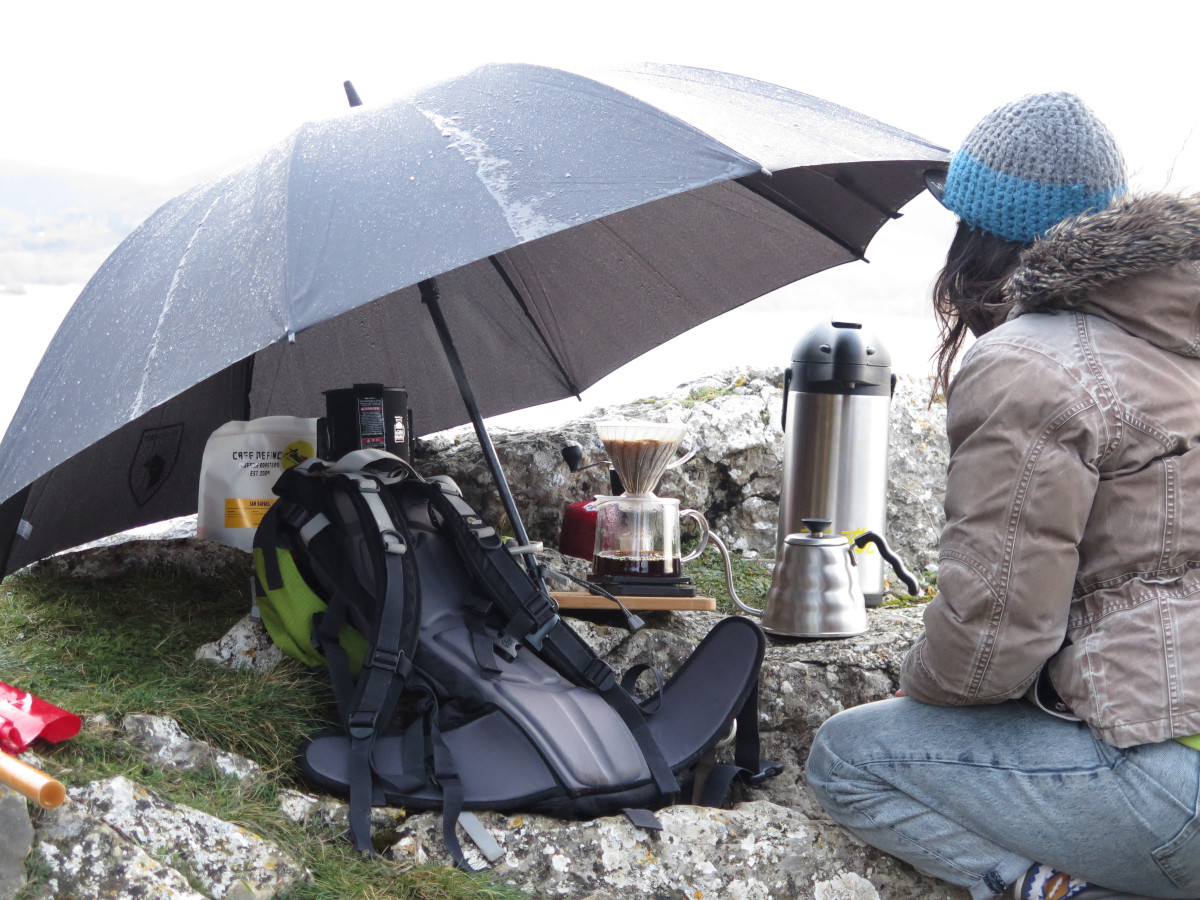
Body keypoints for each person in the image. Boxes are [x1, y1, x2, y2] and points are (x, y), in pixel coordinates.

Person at [805, 92, 1200, 900]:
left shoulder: (1029, 361)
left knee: (847, 756)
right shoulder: (1180, 343)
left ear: (974, 237)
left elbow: (991, 645)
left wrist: (919, 682)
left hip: (1174, 794)